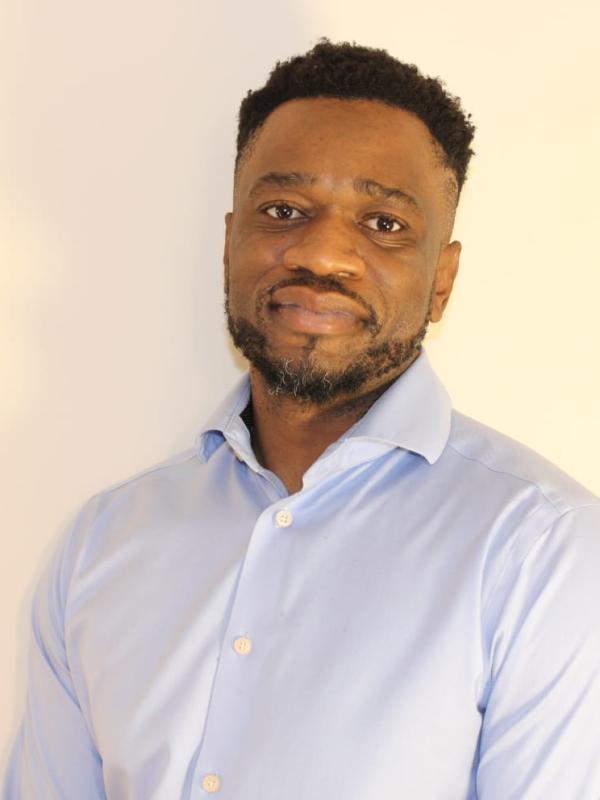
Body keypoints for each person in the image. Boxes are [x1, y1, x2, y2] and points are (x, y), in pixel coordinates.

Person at [4, 39, 600, 800]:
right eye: (283, 211)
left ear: (442, 280)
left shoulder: (543, 552)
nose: (322, 254)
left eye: (383, 222)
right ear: (229, 244)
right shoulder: (102, 544)